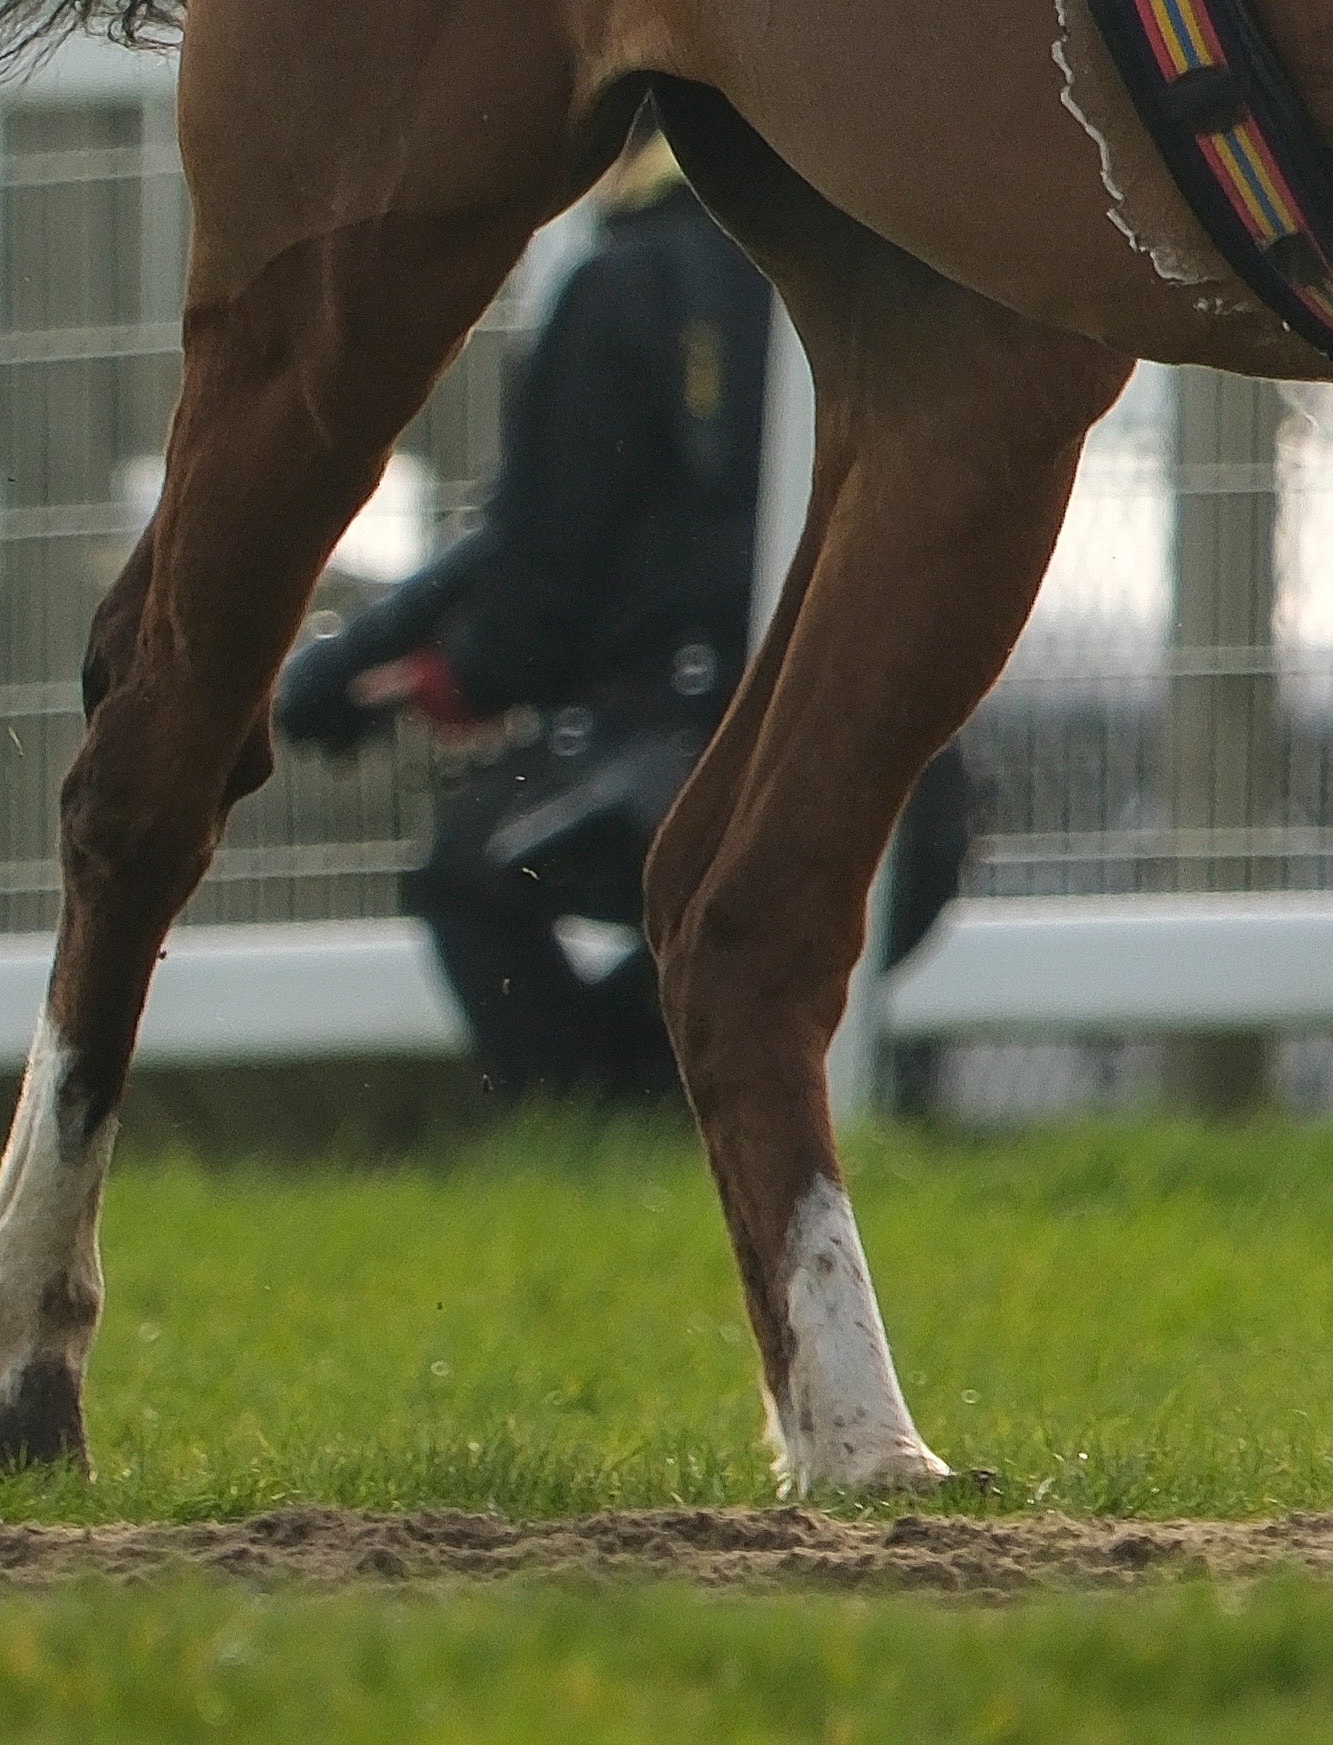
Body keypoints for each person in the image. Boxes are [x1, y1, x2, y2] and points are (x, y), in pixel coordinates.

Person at [278, 132, 972, 1109]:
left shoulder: (625, 284)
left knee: (464, 884)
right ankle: (642, 1134)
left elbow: (539, 577)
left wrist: (450, 674)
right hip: (911, 807)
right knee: (697, 1011)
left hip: (686, 775)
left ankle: (587, 1127)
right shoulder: (884, 271)